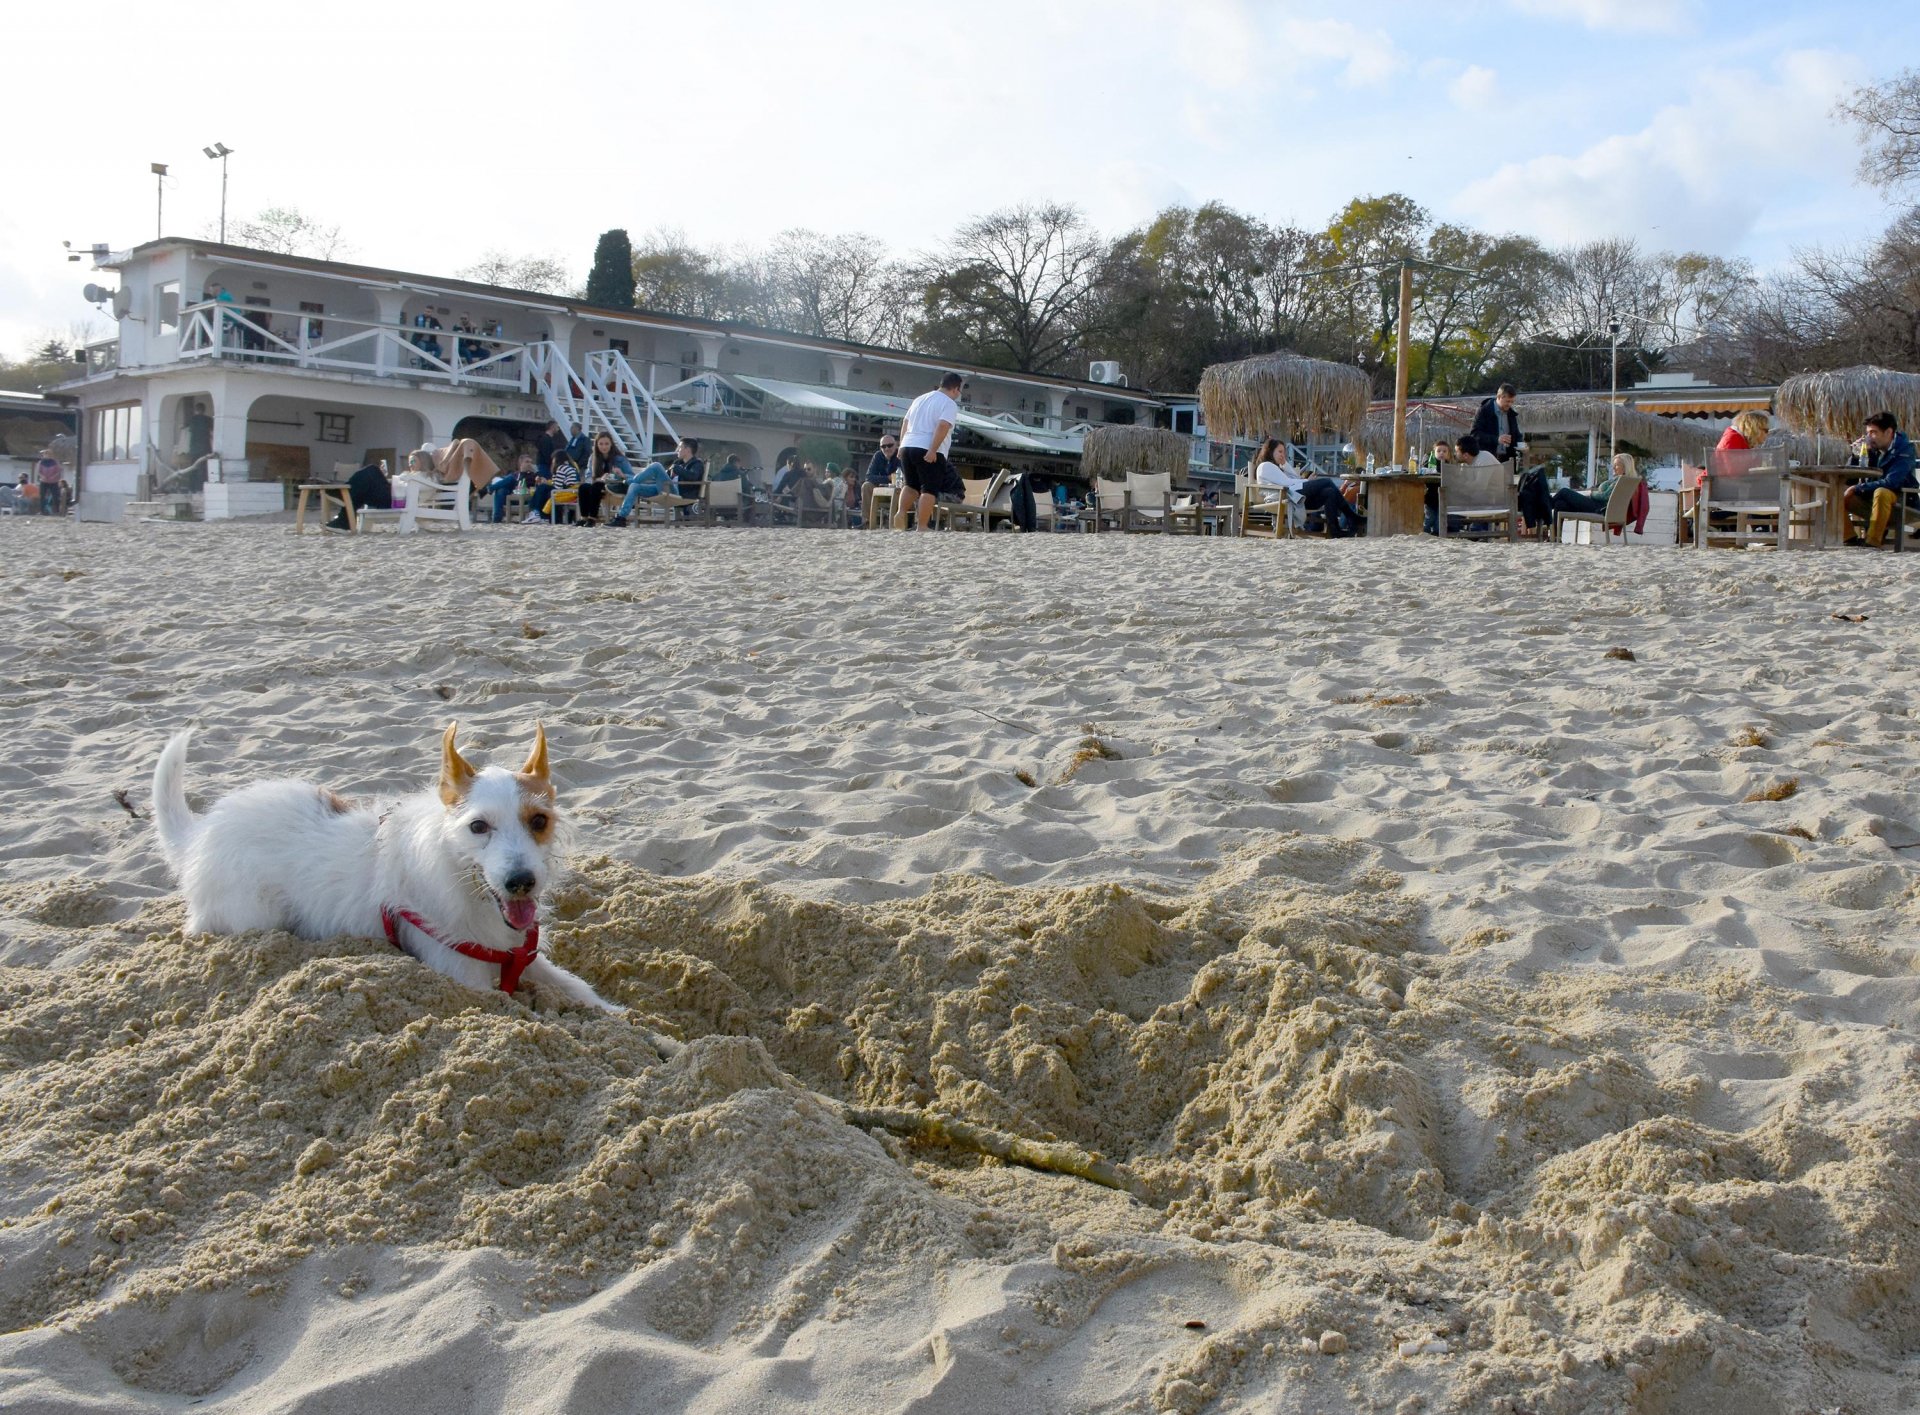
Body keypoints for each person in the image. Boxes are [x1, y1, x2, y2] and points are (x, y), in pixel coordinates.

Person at [1252, 438, 1361, 537]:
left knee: (1330, 492)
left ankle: (1335, 530)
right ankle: (1352, 516)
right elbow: (1287, 483)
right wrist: (1307, 481)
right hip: (1285, 496)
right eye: (1280, 452)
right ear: (1270, 451)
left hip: (1293, 496)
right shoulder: (1265, 466)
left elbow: (1295, 477)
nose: (1282, 455)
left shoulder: (1278, 467)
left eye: (1284, 452)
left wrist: (1285, 464)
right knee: (1327, 481)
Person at [896, 373, 964, 530]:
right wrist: (933, 449)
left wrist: (901, 445)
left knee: (911, 485)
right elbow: (942, 426)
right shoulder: (948, 403)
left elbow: (905, 422)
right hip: (928, 448)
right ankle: (922, 525)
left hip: (908, 445)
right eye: (959, 391)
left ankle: (900, 513)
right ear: (955, 389)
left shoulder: (919, 399)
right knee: (929, 489)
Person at [1843, 411, 1917, 547]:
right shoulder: (1872, 449)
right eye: (1868, 433)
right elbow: (1849, 480)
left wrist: (1858, 488)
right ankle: (1849, 538)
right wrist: (1855, 456)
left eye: (1873, 432)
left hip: (1902, 500)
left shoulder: (1905, 450)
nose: (1869, 437)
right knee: (1838, 493)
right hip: (1871, 499)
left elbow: (1892, 482)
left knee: (1881, 492)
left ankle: (1872, 542)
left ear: (1888, 432)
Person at [580, 432, 629, 525]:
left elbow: (630, 475)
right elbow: (588, 476)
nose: (604, 447)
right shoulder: (593, 458)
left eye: (607, 444)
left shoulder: (619, 458)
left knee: (596, 486)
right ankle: (584, 518)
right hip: (598, 484)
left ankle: (592, 518)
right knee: (583, 487)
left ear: (611, 444)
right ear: (597, 445)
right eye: (601, 444)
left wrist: (620, 474)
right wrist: (597, 479)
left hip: (615, 485)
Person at [1470, 383, 1522, 464]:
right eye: (1508, 401)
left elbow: (1517, 435)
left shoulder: (1511, 414)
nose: (1510, 404)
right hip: (1487, 460)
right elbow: (1475, 434)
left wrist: (1521, 446)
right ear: (1499, 397)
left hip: (1507, 460)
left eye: (1512, 401)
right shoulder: (1483, 411)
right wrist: (1496, 439)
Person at [611, 459, 675, 524]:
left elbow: (684, 477)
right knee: (634, 486)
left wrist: (677, 468)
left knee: (657, 465)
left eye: (680, 449)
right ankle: (621, 517)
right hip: (658, 487)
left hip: (673, 491)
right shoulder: (677, 462)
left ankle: (628, 481)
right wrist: (623, 475)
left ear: (686, 449)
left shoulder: (681, 465)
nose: (678, 450)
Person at [863, 434, 901, 528]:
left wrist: (893, 479)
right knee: (866, 486)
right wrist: (888, 478)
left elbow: (904, 477)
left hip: (898, 491)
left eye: (890, 445)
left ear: (896, 445)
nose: (887, 448)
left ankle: (896, 522)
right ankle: (868, 521)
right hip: (882, 490)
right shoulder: (878, 455)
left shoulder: (901, 455)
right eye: (883, 446)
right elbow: (868, 476)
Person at [487, 453, 535, 523]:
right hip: (512, 497)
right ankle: (496, 519)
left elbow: (531, 487)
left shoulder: (533, 475)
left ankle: (490, 488)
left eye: (531, 462)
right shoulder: (516, 474)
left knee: (510, 478)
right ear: (521, 463)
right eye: (527, 462)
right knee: (501, 489)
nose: (529, 464)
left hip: (525, 498)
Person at [669, 438, 704, 519]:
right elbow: (666, 476)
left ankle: (636, 480)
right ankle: (636, 482)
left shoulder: (697, 464)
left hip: (683, 494)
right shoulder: (678, 463)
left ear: (687, 450)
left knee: (656, 466)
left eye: (680, 447)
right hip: (670, 490)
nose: (677, 450)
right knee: (636, 486)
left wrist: (676, 469)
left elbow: (693, 476)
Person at [34, 452, 63, 516]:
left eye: (48, 454)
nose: (47, 456)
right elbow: (38, 471)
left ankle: (57, 511)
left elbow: (59, 470)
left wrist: (54, 476)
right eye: (45, 454)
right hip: (44, 481)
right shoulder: (40, 462)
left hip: (53, 482)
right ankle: (42, 511)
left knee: (55, 496)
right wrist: (42, 476)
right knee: (42, 496)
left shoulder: (55, 462)